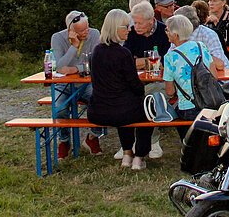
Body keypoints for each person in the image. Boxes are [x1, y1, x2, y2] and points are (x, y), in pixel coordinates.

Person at [87, 9, 153, 169]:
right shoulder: (123, 54)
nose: (129, 30)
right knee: (148, 110)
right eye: (126, 27)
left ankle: (127, 153)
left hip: (98, 111)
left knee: (125, 107)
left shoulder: (96, 51)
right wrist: (142, 90)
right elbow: (136, 86)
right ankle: (139, 156)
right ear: (116, 28)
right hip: (120, 111)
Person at [49, 10, 104, 158]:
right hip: (64, 84)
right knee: (59, 108)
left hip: (87, 83)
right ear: (71, 31)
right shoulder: (57, 38)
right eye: (82, 30)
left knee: (101, 101)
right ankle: (64, 140)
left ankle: (93, 137)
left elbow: (97, 62)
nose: (86, 32)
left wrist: (75, 69)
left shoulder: (94, 34)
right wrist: (74, 46)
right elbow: (59, 66)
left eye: (87, 27)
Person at [160, 15, 214, 138]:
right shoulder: (201, 46)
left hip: (188, 108)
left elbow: (169, 92)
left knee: (175, 112)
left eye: (167, 30)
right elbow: (214, 75)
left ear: (175, 34)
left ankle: (186, 143)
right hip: (209, 102)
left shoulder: (170, 57)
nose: (166, 32)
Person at [177, 4, 229, 73]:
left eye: (175, 24)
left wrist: (195, 53)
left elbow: (220, 64)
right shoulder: (177, 35)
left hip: (217, 76)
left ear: (184, 25)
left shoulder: (208, 34)